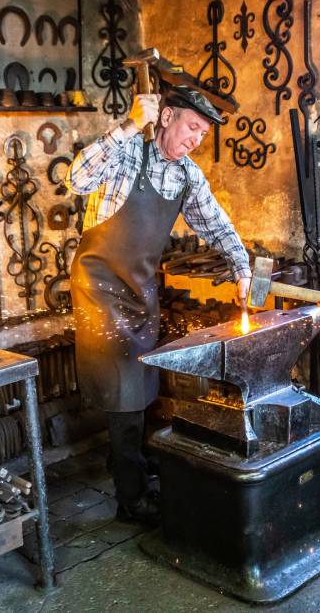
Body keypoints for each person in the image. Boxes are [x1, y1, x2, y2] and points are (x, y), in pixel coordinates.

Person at [68, 85, 251, 525]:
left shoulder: (186, 175)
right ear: (166, 118)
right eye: (192, 127)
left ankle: (127, 460)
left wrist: (241, 266)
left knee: (143, 382)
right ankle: (131, 500)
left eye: (203, 134)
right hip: (99, 289)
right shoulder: (128, 153)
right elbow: (76, 179)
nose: (196, 139)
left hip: (140, 291)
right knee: (123, 386)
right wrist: (129, 125)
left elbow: (216, 222)